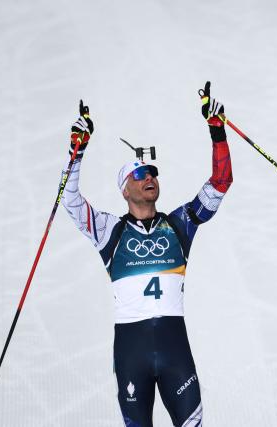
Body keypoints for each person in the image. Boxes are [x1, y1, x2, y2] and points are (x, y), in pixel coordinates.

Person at [61, 82, 232, 426]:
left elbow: (221, 181)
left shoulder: (180, 224)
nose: (149, 177)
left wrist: (217, 133)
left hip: (175, 352)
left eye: (152, 172)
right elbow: (71, 200)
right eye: (139, 174)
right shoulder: (110, 230)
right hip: (131, 352)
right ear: (125, 189)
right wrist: (76, 153)